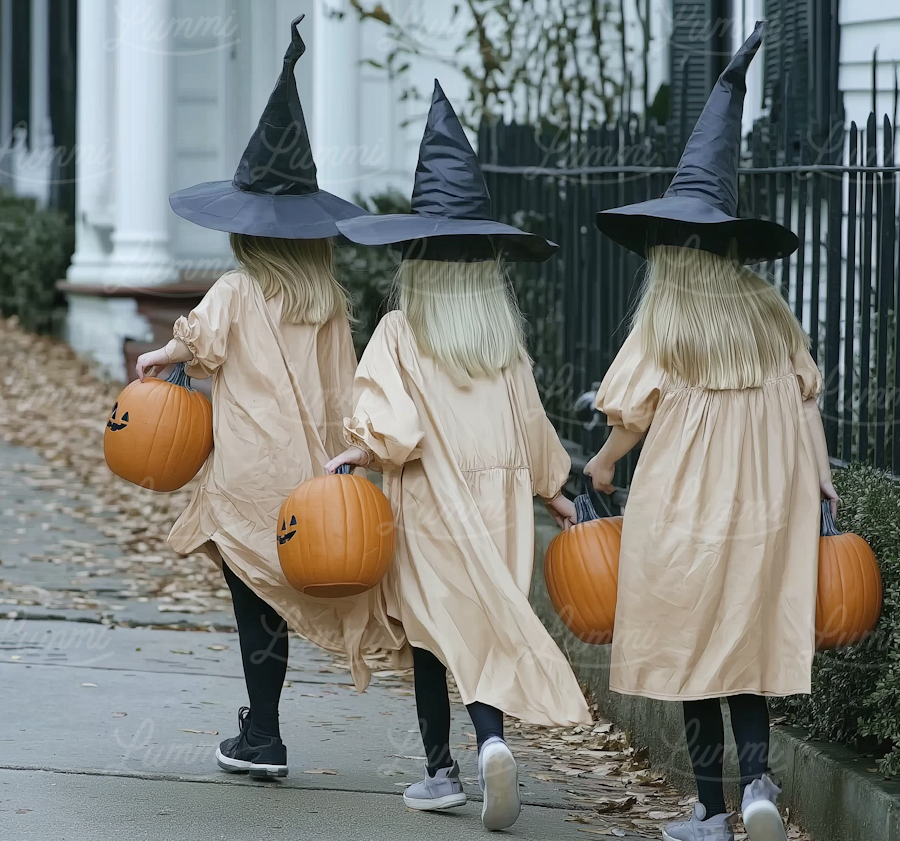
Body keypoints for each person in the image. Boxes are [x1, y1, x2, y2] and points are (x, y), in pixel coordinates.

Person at [582, 24, 834, 841]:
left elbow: (629, 413)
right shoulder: (770, 312)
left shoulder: (665, 319)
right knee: (746, 650)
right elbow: (805, 404)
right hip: (769, 503)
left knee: (693, 653)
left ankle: (708, 811)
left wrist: (605, 465)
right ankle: (760, 785)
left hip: (686, 512)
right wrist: (823, 485)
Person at [134, 16, 402, 781]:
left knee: (254, 602)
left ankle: (265, 733)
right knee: (292, 588)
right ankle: (265, 728)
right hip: (314, 481)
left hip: (247, 475)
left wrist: (156, 356)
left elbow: (193, 343)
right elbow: (351, 388)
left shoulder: (237, 288)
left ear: (248, 227)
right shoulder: (327, 299)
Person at [324, 80, 591, 832]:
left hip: (432, 502)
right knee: (489, 621)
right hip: (501, 501)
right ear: (484, 262)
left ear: (417, 257)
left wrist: (355, 451)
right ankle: (494, 741)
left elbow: (395, 430)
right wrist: (552, 491)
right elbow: (533, 425)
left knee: (432, 632)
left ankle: (442, 769)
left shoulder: (402, 330)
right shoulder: (502, 341)